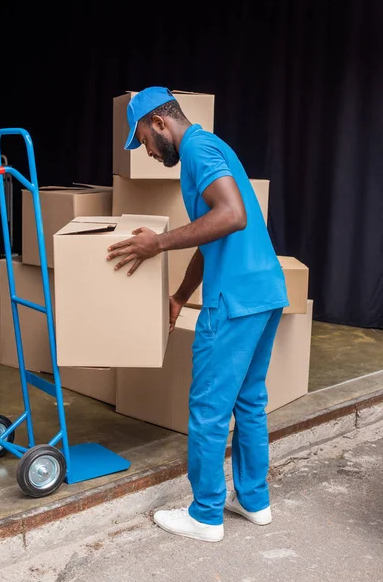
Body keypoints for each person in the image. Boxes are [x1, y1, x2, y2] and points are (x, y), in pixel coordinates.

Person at [107, 87, 289, 543]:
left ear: (161, 123)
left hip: (232, 301)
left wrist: (159, 243)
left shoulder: (198, 150)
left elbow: (232, 215)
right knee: (249, 401)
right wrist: (179, 296)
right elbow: (212, 240)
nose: (147, 151)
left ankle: (206, 514)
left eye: (144, 139)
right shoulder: (213, 146)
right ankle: (253, 500)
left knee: (209, 409)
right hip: (263, 293)